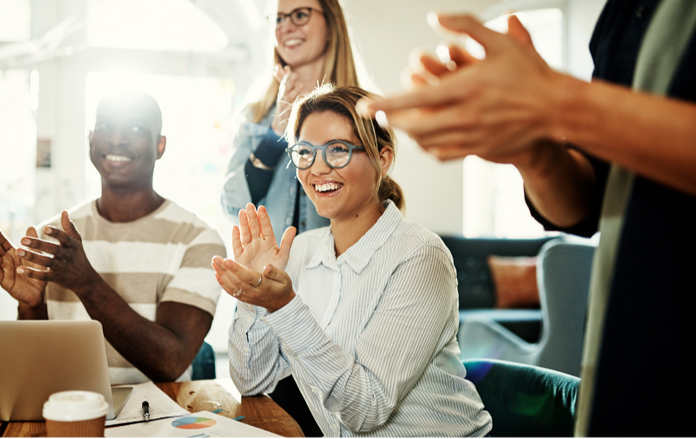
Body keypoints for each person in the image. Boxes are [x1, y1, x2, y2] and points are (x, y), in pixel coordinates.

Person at [362, 2, 695, 435]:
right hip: (630, 353)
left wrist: (556, 102)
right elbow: (586, 204)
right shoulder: (626, 11)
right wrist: (531, 150)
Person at [213, 85, 492, 438]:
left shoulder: (420, 256)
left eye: (338, 150)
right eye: (305, 153)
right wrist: (256, 298)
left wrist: (282, 306)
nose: (317, 168)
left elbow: (366, 408)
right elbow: (253, 380)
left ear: (383, 160)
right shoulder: (298, 251)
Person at [0, 91, 226, 384]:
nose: (117, 140)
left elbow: (170, 362)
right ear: (91, 139)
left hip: (158, 422)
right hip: (68, 412)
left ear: (160, 145)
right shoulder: (53, 236)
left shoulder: (198, 241)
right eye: (106, 127)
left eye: (135, 129)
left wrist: (86, 283)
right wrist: (31, 307)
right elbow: (34, 368)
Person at [221, 0, 363, 242]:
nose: (285, 27)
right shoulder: (254, 115)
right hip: (268, 275)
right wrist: (276, 132)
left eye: (300, 15)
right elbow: (233, 205)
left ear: (332, 24)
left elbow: (370, 209)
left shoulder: (364, 113)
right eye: (278, 18)